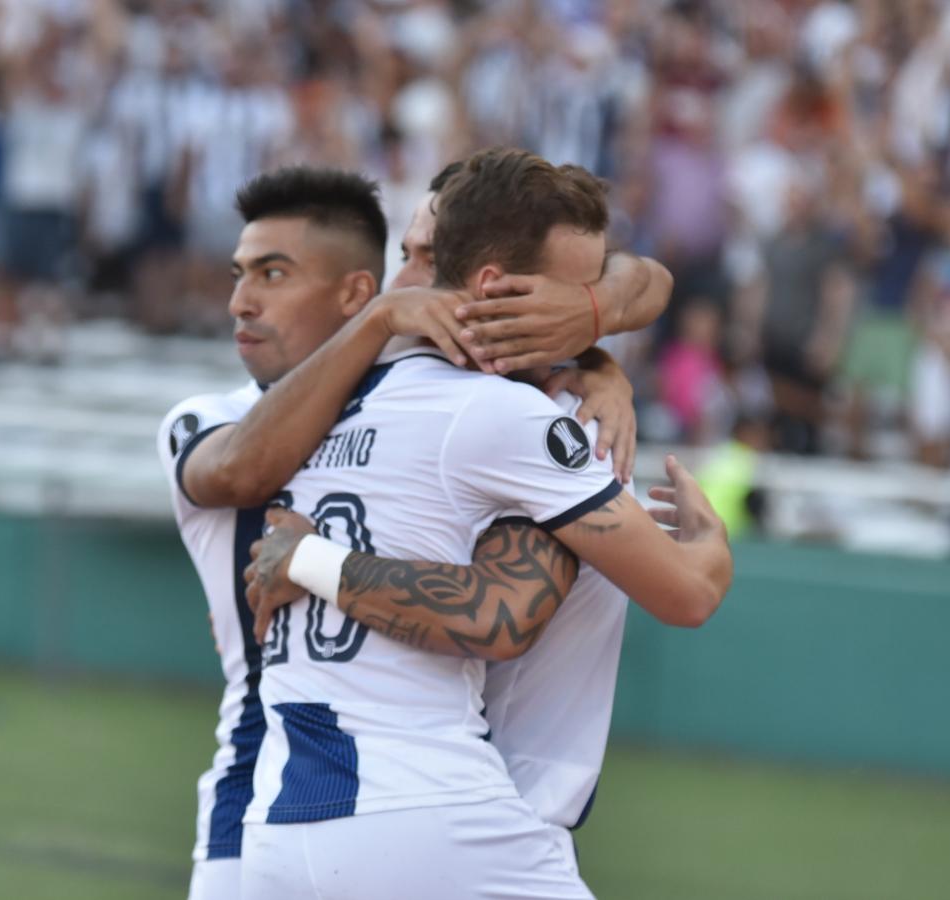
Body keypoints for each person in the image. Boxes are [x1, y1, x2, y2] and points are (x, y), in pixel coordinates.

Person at [226, 149, 730, 899]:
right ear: (495, 283)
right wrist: (709, 542)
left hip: (283, 826)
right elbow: (680, 596)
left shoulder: (335, 400)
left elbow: (644, 281)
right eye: (406, 257)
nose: (409, 283)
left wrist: (593, 347)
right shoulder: (513, 416)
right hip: (441, 814)